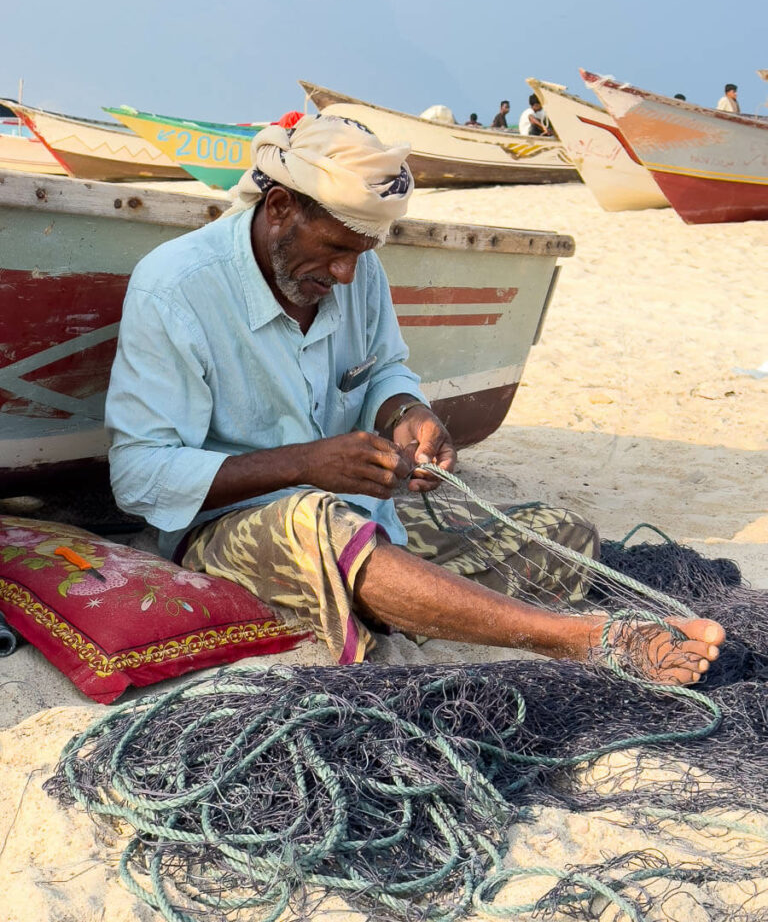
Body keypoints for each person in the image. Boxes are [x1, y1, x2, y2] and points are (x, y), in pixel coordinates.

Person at [106, 114, 724, 684]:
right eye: (337, 249)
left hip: (352, 505)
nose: (348, 274)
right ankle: (579, 640)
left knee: (562, 538)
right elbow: (138, 476)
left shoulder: (357, 266)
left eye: (362, 253)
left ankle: (422, 595)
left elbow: (384, 371)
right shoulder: (176, 288)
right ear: (279, 206)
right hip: (230, 526)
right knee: (321, 526)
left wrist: (406, 412)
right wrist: (302, 465)